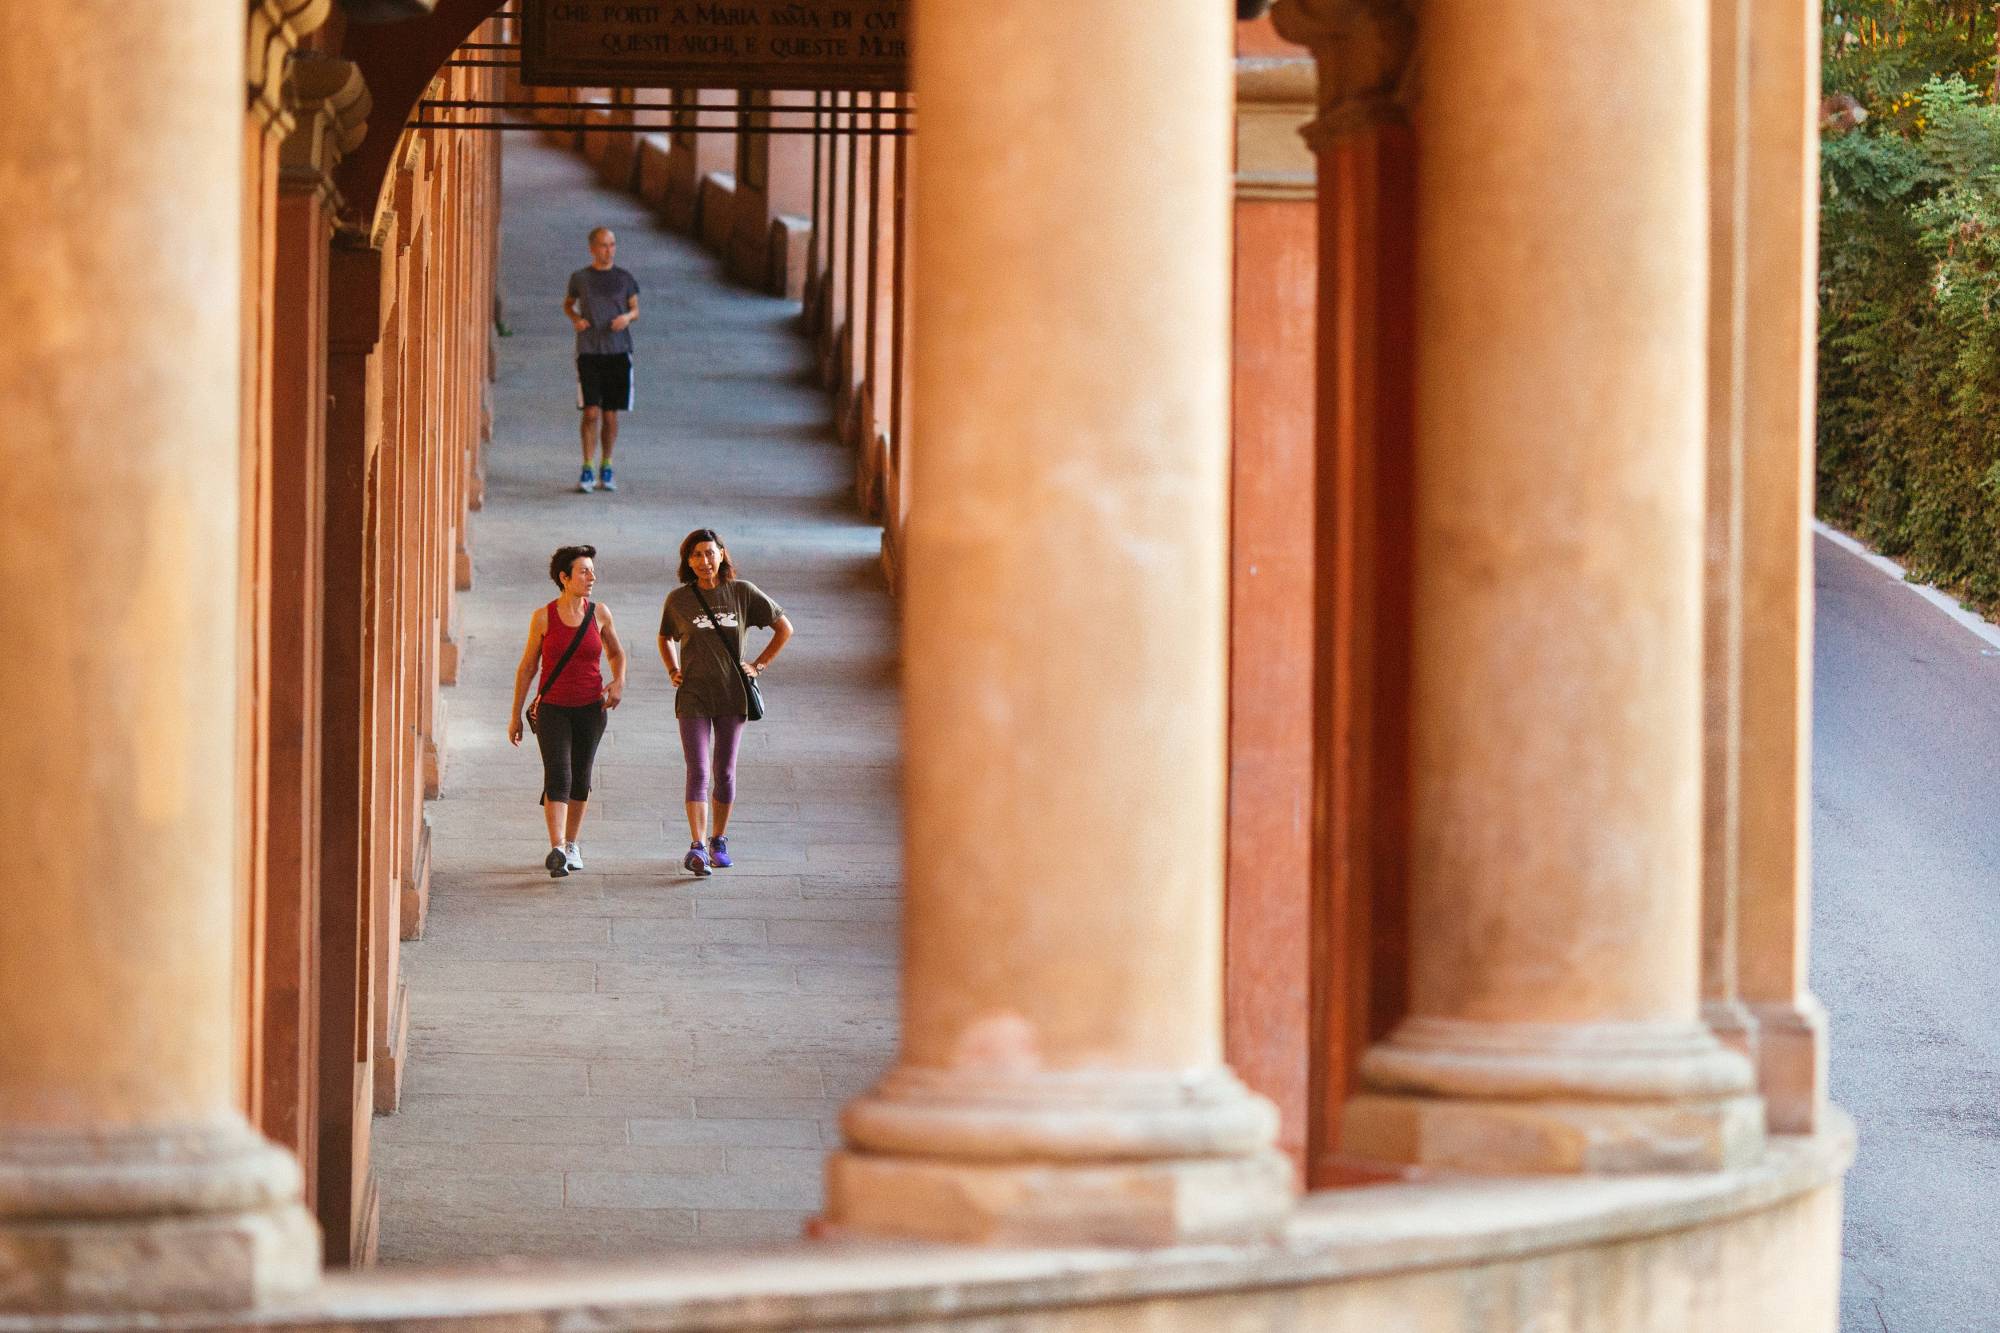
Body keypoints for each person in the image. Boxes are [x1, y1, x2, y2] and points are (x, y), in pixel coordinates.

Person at [658, 529, 794, 877]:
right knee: (698, 769)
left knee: (725, 771)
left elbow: (784, 628)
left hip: (733, 694)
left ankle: (718, 839)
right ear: (688, 562)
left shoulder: (742, 593)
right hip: (693, 695)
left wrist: (759, 665)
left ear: (722, 554)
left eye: (709, 553)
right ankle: (697, 845)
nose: (704, 561)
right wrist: (673, 668)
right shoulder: (679, 600)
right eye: (696, 556)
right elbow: (665, 636)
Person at [509, 545, 628, 877]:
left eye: (592, 570)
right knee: (558, 774)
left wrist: (618, 682)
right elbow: (528, 668)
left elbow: (617, 654)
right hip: (552, 710)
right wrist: (515, 714)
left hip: (591, 708)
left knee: (581, 776)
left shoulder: (600, 613)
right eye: (584, 571)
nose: (591, 577)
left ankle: (572, 844)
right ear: (564, 578)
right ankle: (557, 848)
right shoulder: (543, 617)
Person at [563, 226, 640, 494]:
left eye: (612, 245)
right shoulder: (580, 278)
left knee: (610, 414)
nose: (609, 250)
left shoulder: (624, 278)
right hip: (589, 350)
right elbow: (568, 303)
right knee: (591, 411)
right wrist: (576, 319)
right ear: (592, 248)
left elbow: (635, 309)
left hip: (618, 350)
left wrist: (626, 319)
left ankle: (606, 464)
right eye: (604, 245)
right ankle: (587, 465)